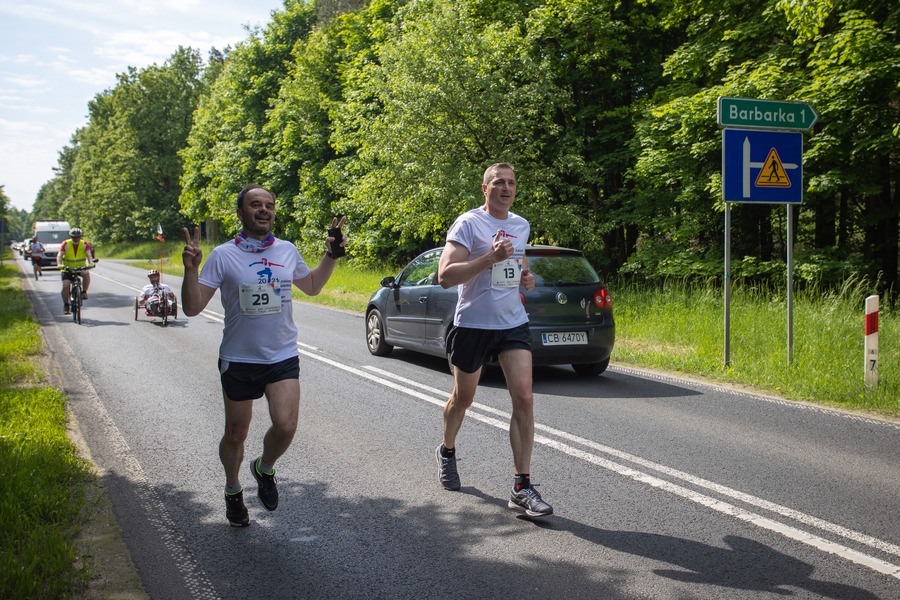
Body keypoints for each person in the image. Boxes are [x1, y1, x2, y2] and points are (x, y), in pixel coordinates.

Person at [181, 184, 346, 527]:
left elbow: (312, 286)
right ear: (240, 213)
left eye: (269, 205)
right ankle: (232, 489)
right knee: (236, 434)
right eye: (255, 204)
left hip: (281, 355)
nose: (263, 210)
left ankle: (264, 467)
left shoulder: (286, 250)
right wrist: (190, 270)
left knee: (285, 427)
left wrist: (330, 256)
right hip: (239, 359)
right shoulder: (223, 255)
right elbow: (193, 307)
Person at [435, 162, 553, 517]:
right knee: (463, 399)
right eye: (498, 182)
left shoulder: (520, 225)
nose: (506, 188)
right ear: (484, 189)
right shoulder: (469, 223)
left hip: (512, 323)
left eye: (511, 183)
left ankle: (521, 485)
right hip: (472, 324)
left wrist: (526, 279)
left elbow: (519, 264)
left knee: (525, 398)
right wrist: (489, 257)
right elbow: (444, 276)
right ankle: (447, 450)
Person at [57, 228, 95, 315]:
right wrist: (59, 264)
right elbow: (60, 255)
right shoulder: (66, 243)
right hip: (67, 268)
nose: (76, 239)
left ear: (80, 237)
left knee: (86, 274)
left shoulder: (84, 244)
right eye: (74, 237)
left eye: (78, 237)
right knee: (66, 285)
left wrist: (91, 263)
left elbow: (89, 255)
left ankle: (84, 292)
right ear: (71, 237)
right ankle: (66, 305)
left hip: (80, 268)